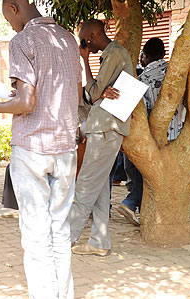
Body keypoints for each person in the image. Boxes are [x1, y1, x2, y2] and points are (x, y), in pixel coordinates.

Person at [0, 1, 82, 298]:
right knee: (60, 230)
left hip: (32, 149)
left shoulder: (23, 40)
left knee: (37, 234)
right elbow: (74, 93)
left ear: (14, 8)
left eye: (7, 18)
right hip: (65, 147)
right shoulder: (67, 39)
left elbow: (27, 102)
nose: (10, 25)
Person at [68, 19, 133, 257]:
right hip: (104, 127)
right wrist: (97, 91)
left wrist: (85, 61)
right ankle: (99, 241)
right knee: (99, 188)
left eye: (84, 40)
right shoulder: (111, 56)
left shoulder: (115, 54)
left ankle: (65, 240)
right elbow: (94, 93)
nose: (83, 45)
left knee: (84, 186)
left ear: (92, 36)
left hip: (106, 127)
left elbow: (93, 93)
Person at [114, 37, 186, 225]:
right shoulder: (177, 74)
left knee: (143, 172)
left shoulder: (141, 78)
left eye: (141, 57)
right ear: (163, 54)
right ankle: (138, 207)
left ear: (144, 56)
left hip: (149, 138)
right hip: (175, 135)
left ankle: (131, 203)